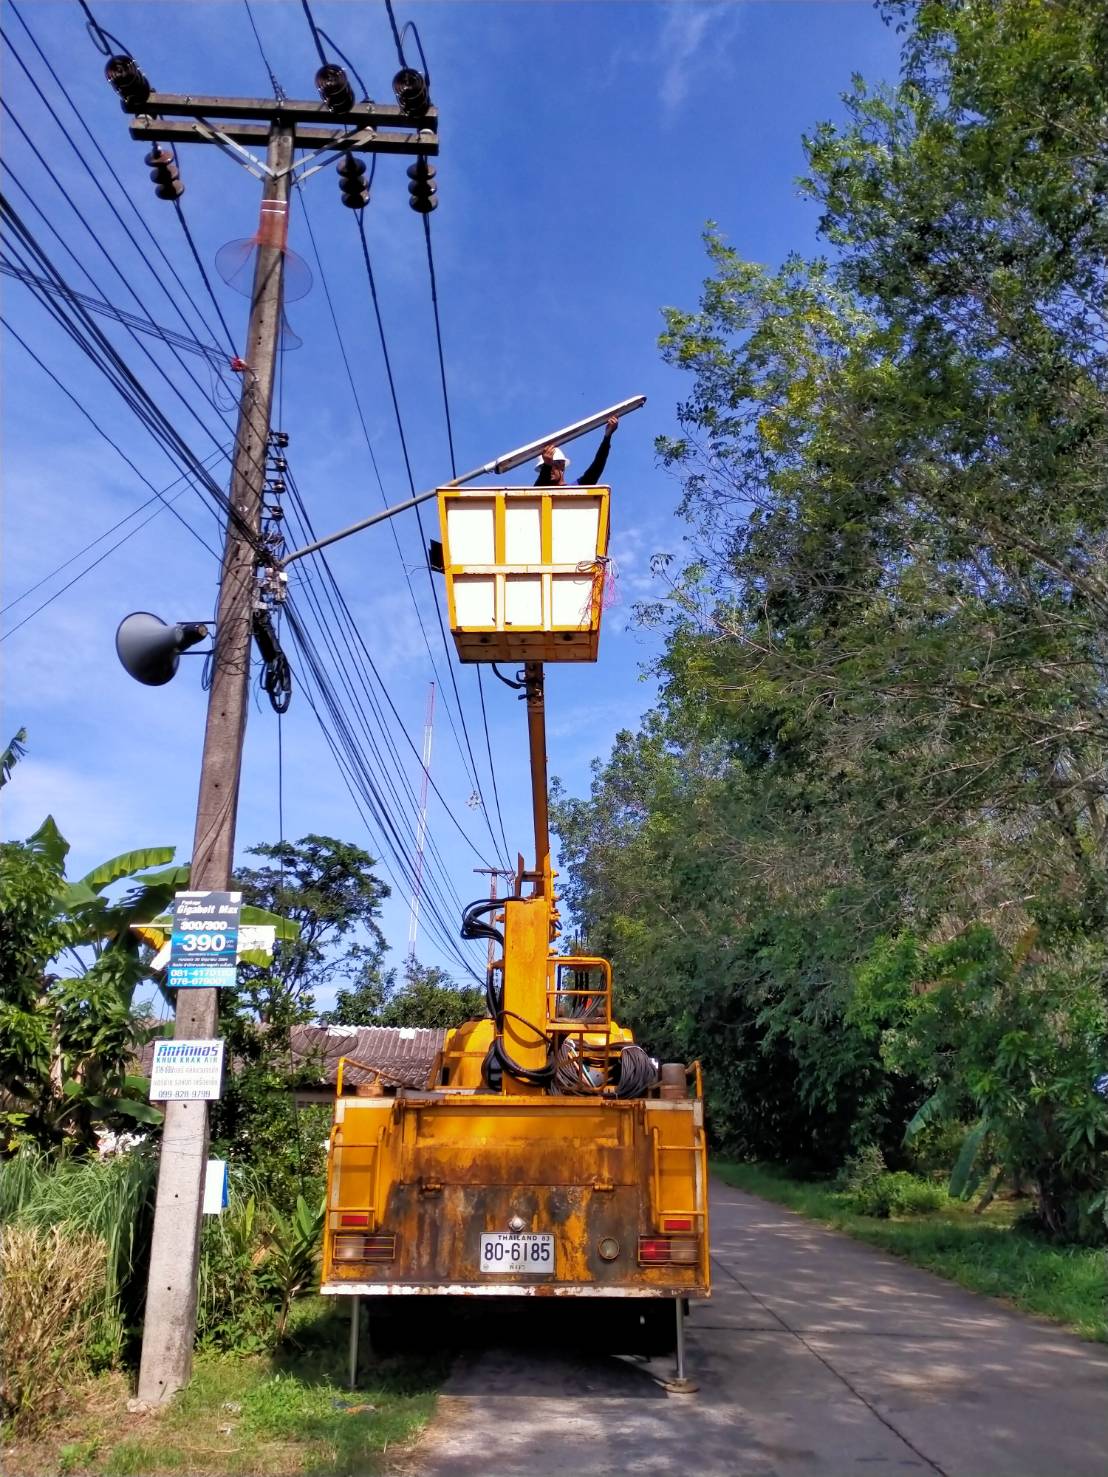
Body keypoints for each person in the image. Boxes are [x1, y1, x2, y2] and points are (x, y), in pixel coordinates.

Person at [534, 415, 619, 487]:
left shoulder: (577, 488)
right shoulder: (539, 495)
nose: (549, 471)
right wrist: (547, 465)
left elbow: (596, 468)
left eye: (552, 465)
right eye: (543, 469)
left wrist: (607, 437)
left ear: (562, 465)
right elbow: (537, 487)